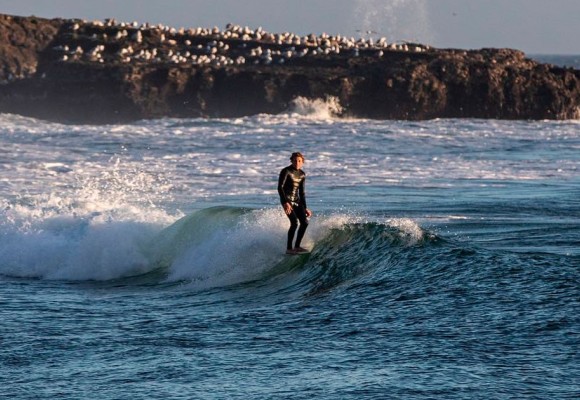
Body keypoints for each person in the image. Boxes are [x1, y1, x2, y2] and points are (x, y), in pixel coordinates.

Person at [278, 152, 313, 254]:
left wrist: (305, 208)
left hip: (297, 200)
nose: (297, 163)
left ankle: (297, 246)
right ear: (291, 161)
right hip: (287, 200)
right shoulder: (286, 171)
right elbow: (280, 187)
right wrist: (285, 202)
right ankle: (289, 249)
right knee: (294, 223)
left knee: (305, 222)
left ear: (302, 162)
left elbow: (302, 193)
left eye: (299, 161)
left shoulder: (302, 174)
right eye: (295, 161)